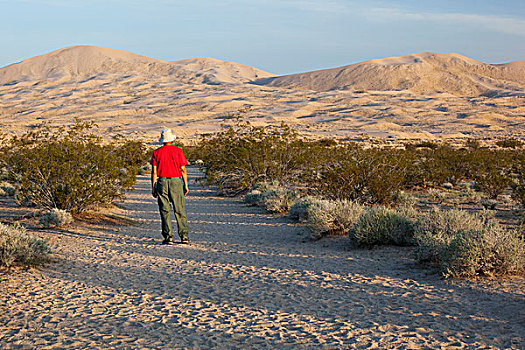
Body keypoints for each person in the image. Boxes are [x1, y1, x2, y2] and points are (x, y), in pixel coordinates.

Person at [150, 128, 189, 245]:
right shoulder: (178, 151)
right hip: (176, 181)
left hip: (162, 182)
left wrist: (153, 187)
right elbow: (183, 170)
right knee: (179, 210)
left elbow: (154, 172)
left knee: (164, 210)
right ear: (171, 139)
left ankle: (168, 237)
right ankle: (184, 236)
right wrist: (186, 185)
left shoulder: (157, 152)